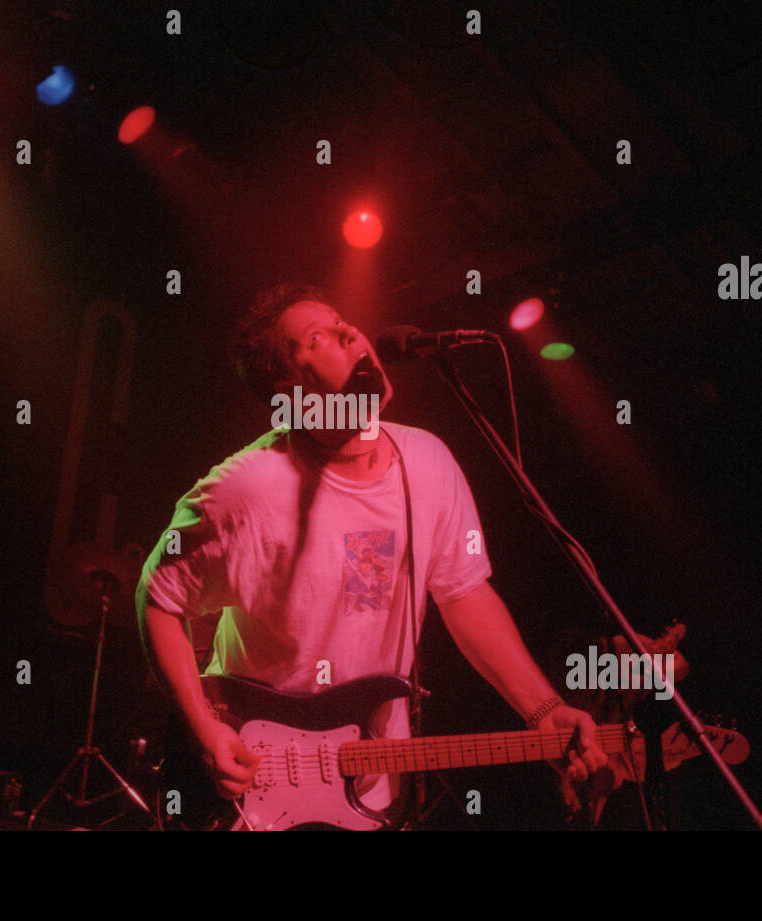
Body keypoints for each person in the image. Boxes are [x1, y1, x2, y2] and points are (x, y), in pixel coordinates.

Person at [136, 283, 606, 824]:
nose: (350, 332)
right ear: (290, 390)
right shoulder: (246, 489)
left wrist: (543, 710)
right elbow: (158, 597)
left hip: (367, 779)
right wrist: (205, 729)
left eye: (344, 323)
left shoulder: (429, 461)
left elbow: (463, 593)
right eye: (320, 337)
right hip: (254, 767)